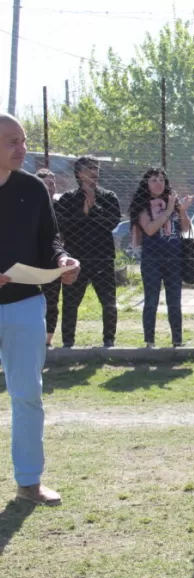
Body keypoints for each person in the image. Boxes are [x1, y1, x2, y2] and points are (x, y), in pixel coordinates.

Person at [0, 113, 80, 505]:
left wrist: (63, 261)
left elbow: (51, 241)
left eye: (23, 139)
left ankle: (29, 482)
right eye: (11, 141)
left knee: (27, 393)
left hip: (25, 304)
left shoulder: (32, 189)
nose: (22, 148)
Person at [54, 155, 120, 348]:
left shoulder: (108, 197)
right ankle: (68, 342)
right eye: (90, 168)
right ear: (79, 173)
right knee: (70, 303)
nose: (94, 172)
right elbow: (63, 225)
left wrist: (94, 207)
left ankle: (109, 341)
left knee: (108, 302)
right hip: (76, 259)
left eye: (97, 168)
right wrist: (83, 211)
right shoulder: (67, 199)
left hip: (103, 257)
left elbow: (112, 222)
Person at [128, 168, 193, 347]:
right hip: (152, 259)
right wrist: (169, 210)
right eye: (154, 180)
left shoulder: (172, 200)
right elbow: (149, 229)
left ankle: (177, 340)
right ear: (146, 183)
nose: (159, 184)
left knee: (175, 301)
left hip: (174, 257)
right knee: (151, 300)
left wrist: (182, 210)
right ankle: (150, 341)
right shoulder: (142, 204)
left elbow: (185, 228)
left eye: (162, 180)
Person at [36, 168, 61, 347]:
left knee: (52, 300)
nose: (51, 186)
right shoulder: (30, 206)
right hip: (34, 259)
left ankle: (47, 340)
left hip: (55, 258)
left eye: (53, 183)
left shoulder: (61, 206)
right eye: (47, 183)